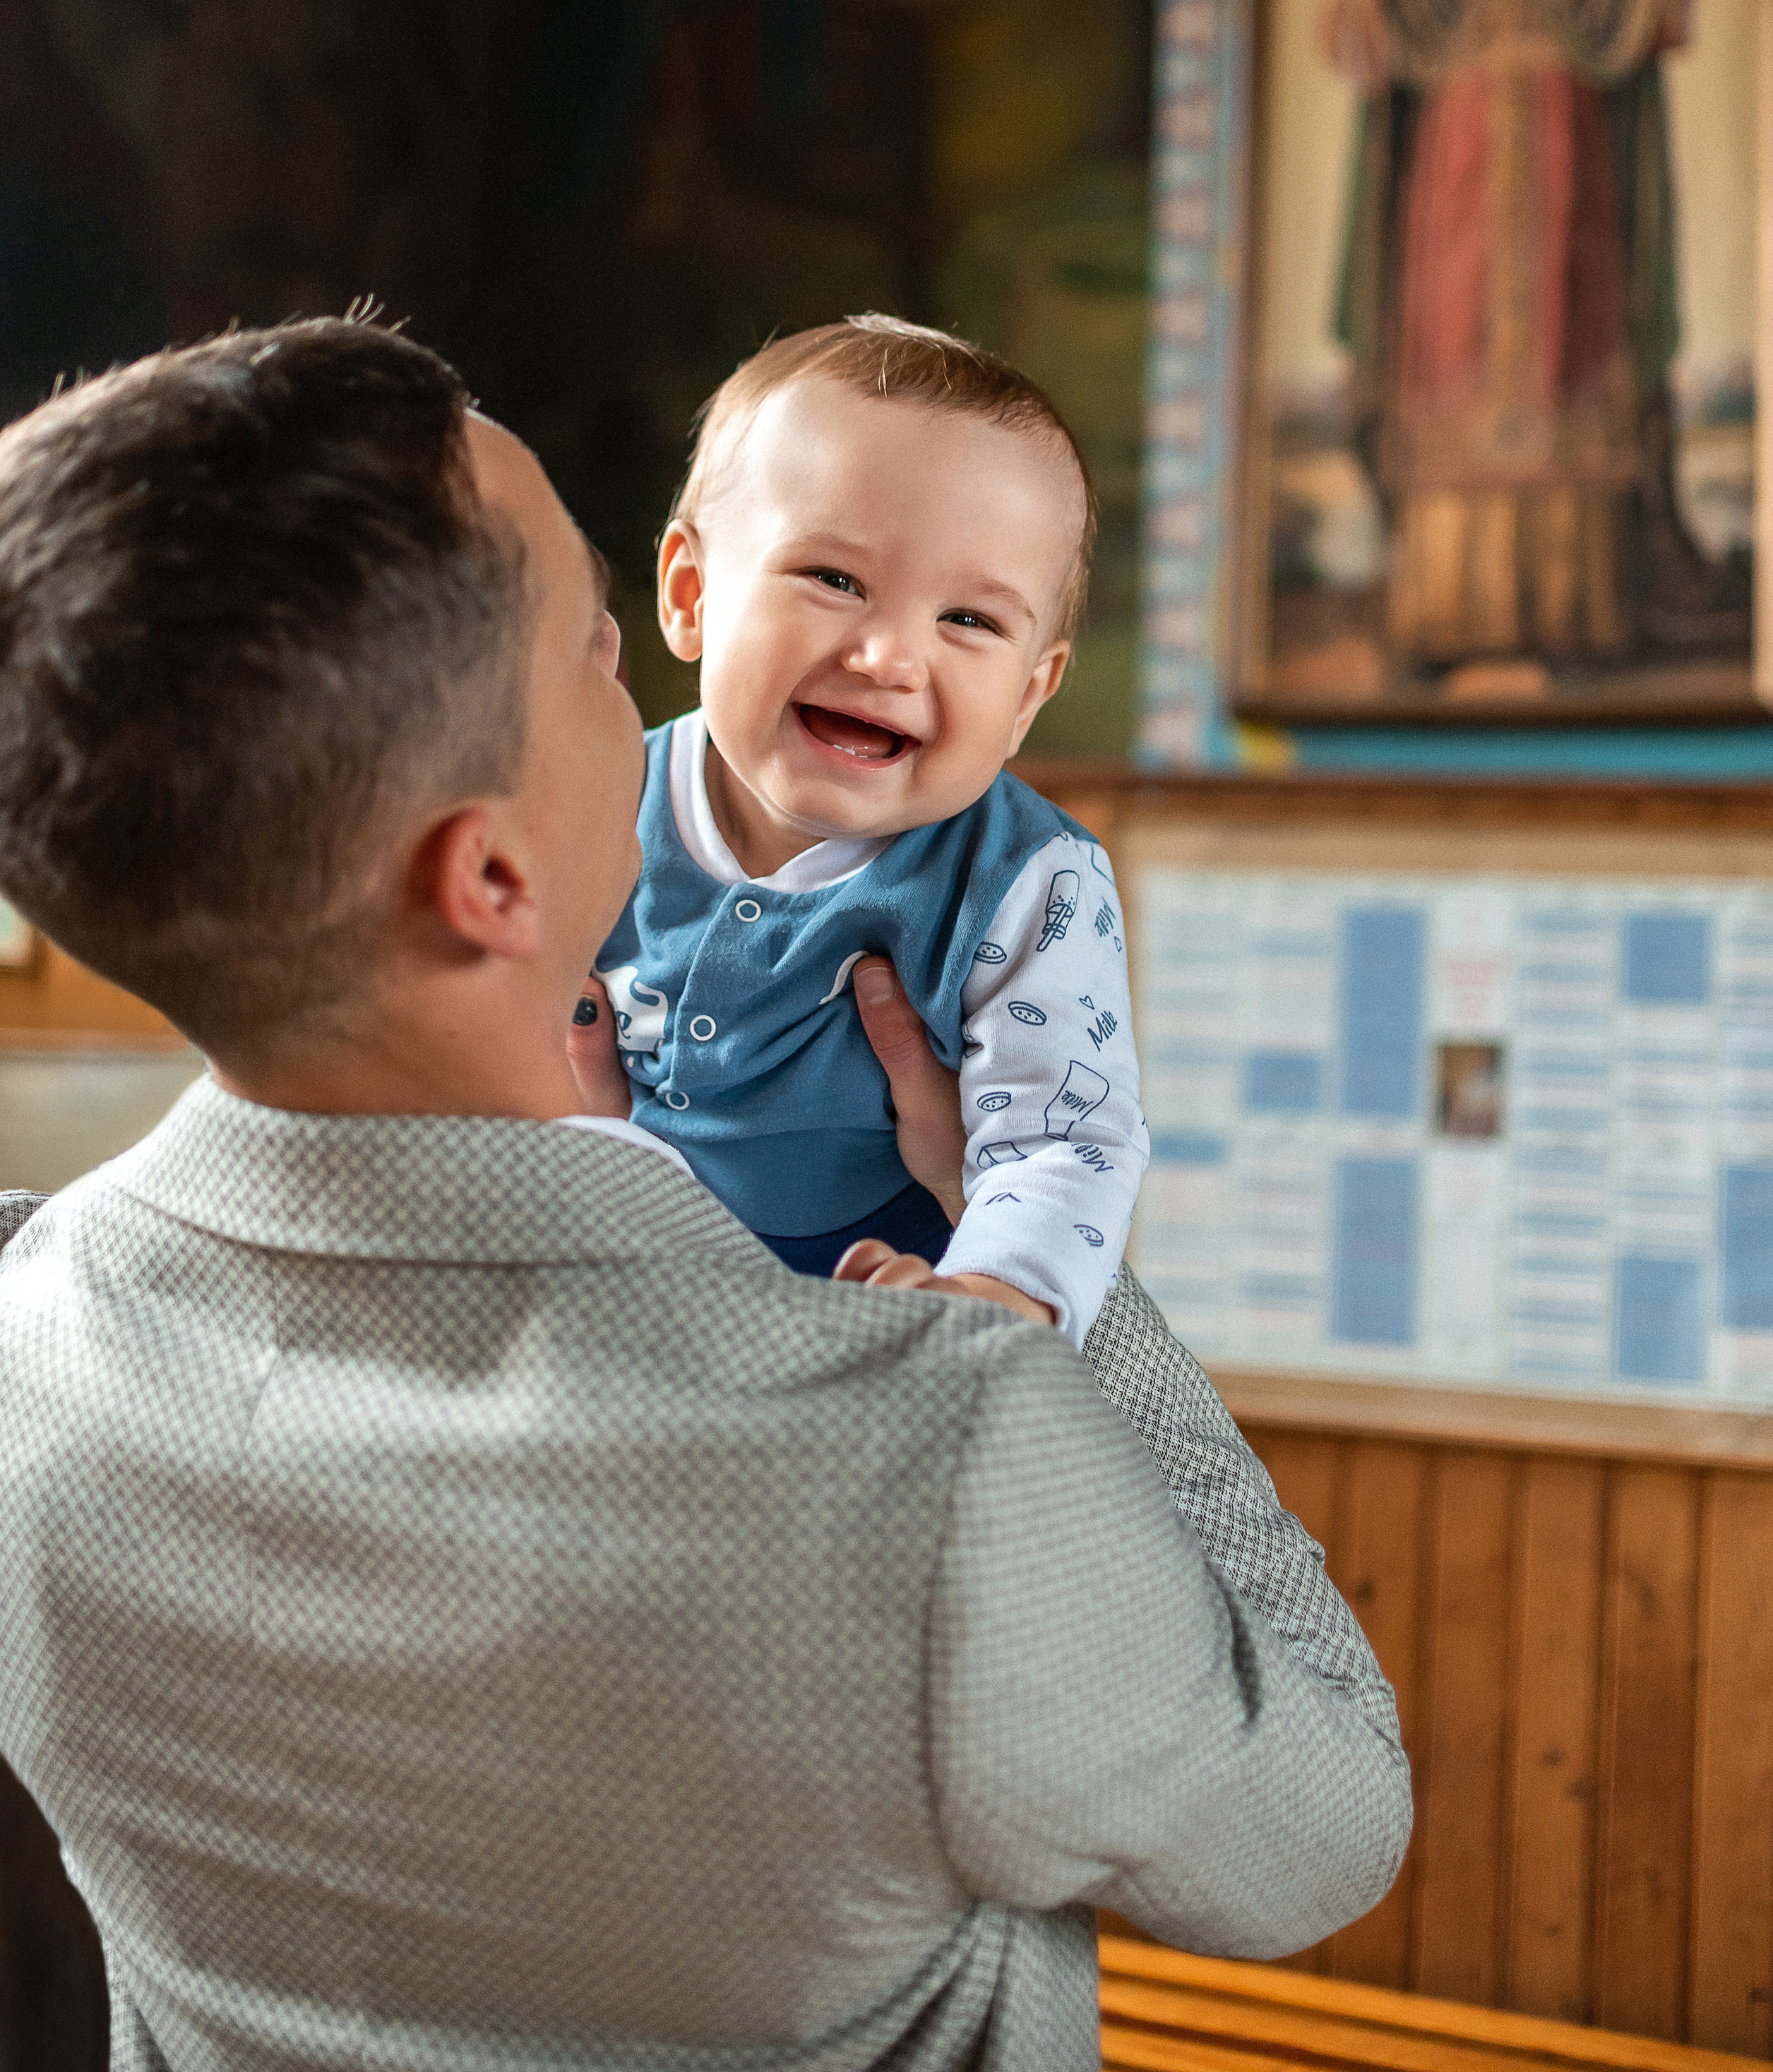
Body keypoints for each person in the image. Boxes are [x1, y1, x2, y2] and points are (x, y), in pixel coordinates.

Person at [0, 319, 1409, 2072]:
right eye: (601, 657)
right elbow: (1325, 1831)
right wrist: (1073, 1306)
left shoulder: (21, 1329)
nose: (647, 706)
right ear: (496, 874)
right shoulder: (938, 1467)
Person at [578, 316, 1143, 1344]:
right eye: (834, 580)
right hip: (612, 1300)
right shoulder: (591, 791)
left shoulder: (1027, 880)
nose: (889, 657)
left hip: (879, 1308)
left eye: (969, 620)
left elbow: (1062, 1142)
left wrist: (992, 1299)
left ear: (1030, 695)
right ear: (691, 594)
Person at [1320, 0, 1738, 673]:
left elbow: (1643, 21)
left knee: (1567, 362)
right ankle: (1446, 618)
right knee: (1456, 372)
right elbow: (1383, 50)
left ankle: (1574, 618)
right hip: (1455, 195)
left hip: (1568, 182)